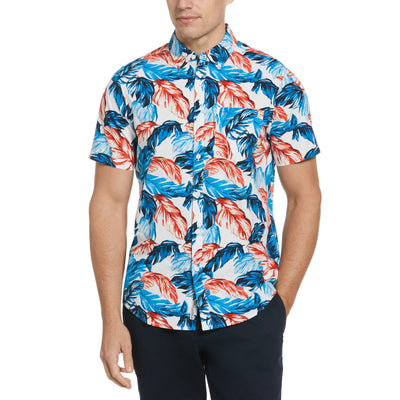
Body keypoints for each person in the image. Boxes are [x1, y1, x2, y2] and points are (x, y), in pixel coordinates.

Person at [88, 0, 322, 399]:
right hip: (154, 313)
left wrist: (280, 305)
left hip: (249, 309)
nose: (184, 2)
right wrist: (111, 320)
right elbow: (108, 202)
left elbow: (305, 197)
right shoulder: (130, 84)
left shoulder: (275, 82)